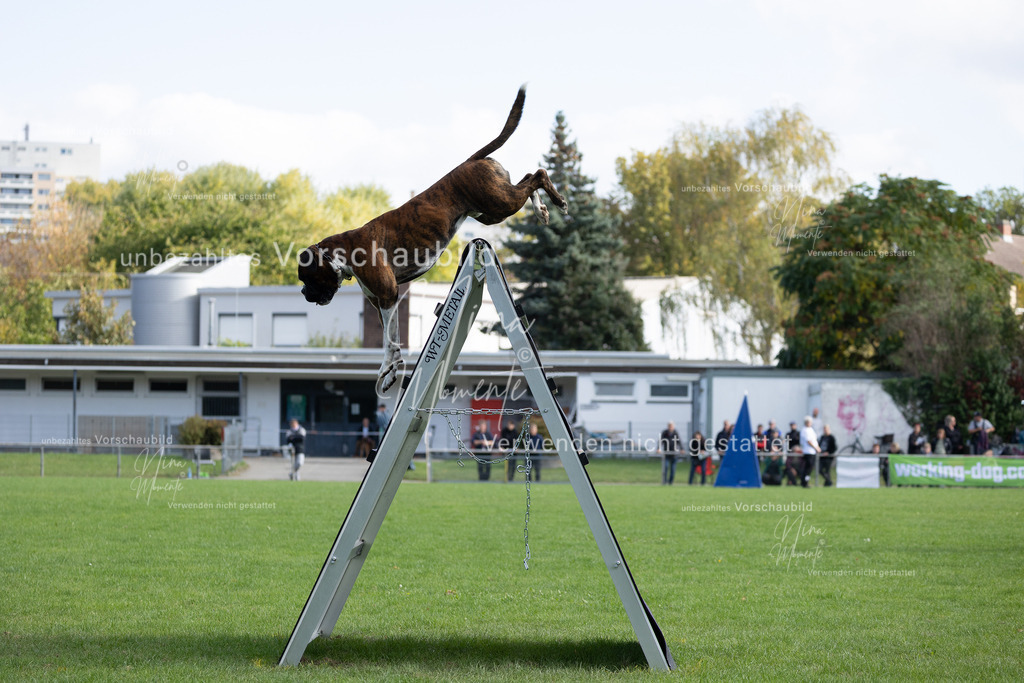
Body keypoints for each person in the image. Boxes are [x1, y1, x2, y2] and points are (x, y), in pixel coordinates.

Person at [799, 416, 821, 488]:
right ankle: (804, 482)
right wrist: (816, 448)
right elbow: (809, 441)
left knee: (809, 468)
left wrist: (817, 447)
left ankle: (805, 481)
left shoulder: (810, 429)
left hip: (812, 451)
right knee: (808, 468)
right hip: (808, 451)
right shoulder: (805, 430)